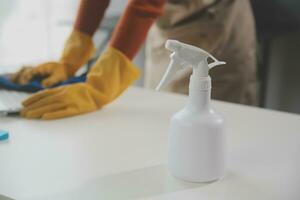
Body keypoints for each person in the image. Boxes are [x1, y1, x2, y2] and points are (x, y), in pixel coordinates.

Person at [11, 0, 257, 120]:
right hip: (169, 23)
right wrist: (72, 57)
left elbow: (145, 3)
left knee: (209, 121)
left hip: (213, 20)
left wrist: (99, 86)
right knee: (161, 117)